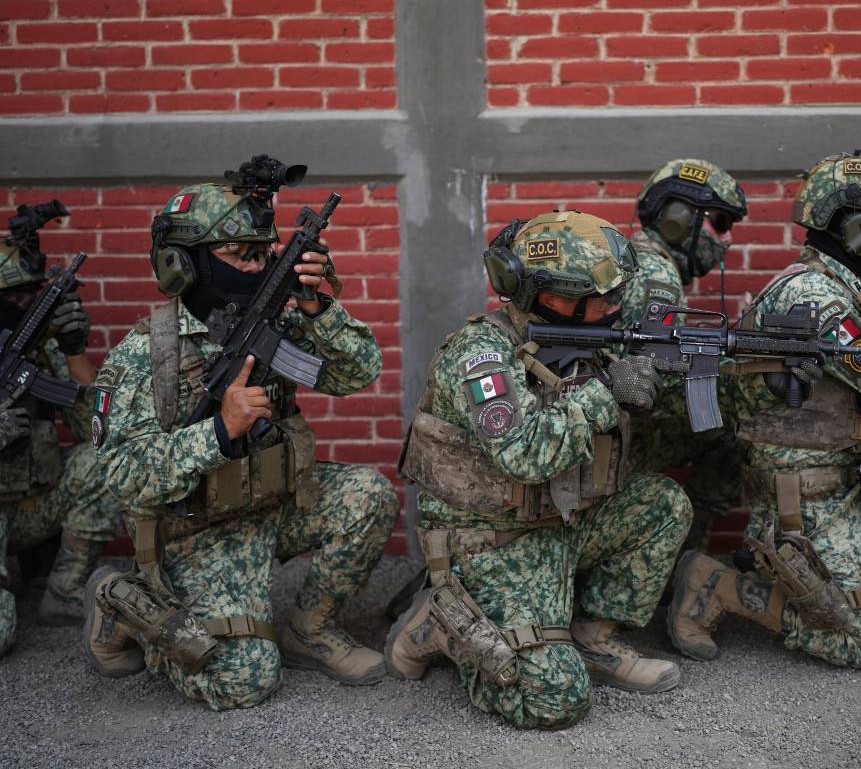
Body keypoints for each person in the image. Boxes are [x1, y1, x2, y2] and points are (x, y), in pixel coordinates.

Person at [82, 182, 399, 710]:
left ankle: (309, 628)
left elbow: (358, 372)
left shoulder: (281, 317)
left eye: (263, 254)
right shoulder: (145, 354)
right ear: (186, 263)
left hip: (276, 502)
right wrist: (217, 432)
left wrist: (318, 308)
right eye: (239, 255)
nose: (255, 268)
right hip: (198, 529)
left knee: (369, 495)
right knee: (244, 679)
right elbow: (122, 474)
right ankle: (122, 601)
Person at [669, 149, 861, 671]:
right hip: (808, 495)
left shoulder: (839, 285)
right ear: (857, 227)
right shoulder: (817, 298)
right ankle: (716, 585)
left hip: (848, 472)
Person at [386, 210, 690, 729]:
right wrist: (607, 392)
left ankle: (593, 639)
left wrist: (672, 378)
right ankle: (436, 624)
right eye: (606, 297)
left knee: (663, 506)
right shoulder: (481, 353)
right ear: (556, 299)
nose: (618, 304)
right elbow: (525, 454)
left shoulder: (590, 340)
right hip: (492, 544)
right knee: (554, 698)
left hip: (563, 522)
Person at [0, 203, 121, 657]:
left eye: (30, 296)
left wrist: (73, 353)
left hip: (35, 504)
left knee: (107, 459)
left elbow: (97, 426)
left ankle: (65, 589)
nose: (23, 306)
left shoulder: (40, 349)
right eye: (13, 299)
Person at [622, 158, 749, 552]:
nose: (726, 240)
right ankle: (685, 556)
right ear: (679, 218)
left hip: (614, 422)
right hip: (621, 432)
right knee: (736, 430)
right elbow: (660, 379)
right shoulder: (656, 277)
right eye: (720, 224)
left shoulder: (636, 259)